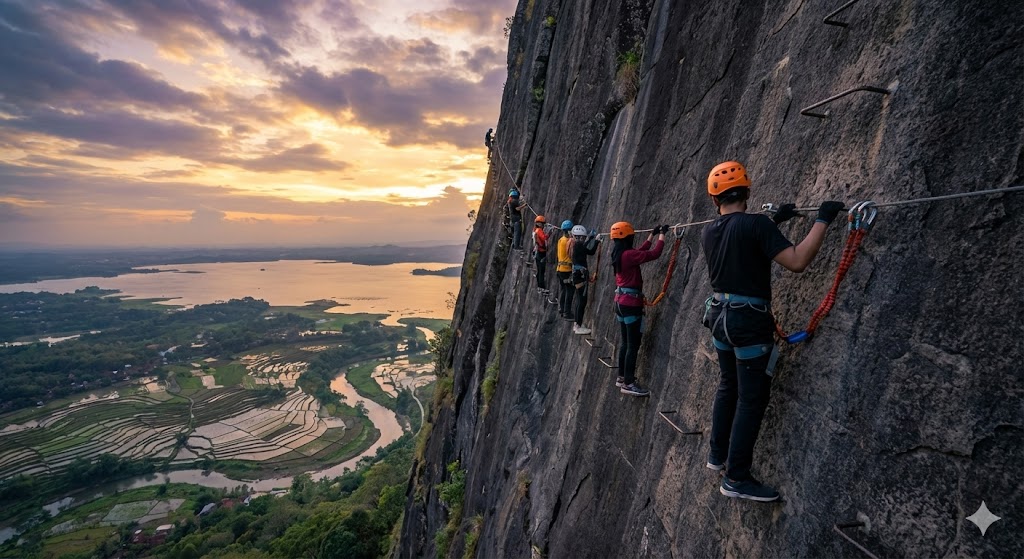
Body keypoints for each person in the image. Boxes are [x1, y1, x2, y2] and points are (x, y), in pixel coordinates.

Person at [701, 160, 845, 502]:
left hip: (720, 317)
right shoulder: (755, 226)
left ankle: (717, 455)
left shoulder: (708, 231)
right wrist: (823, 219)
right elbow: (796, 261)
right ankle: (735, 477)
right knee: (751, 399)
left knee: (728, 385)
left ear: (714, 199)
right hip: (748, 323)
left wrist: (773, 223)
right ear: (747, 191)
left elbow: (742, 247)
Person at [610, 221, 668, 397]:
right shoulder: (627, 255)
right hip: (630, 304)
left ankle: (622, 377)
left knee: (626, 342)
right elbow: (654, 254)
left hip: (620, 302)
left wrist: (652, 234)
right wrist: (662, 235)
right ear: (628, 238)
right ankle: (628, 382)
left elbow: (639, 252)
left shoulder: (619, 254)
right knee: (632, 345)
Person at [569, 225, 600, 335]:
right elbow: (590, 252)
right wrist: (596, 241)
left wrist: (591, 238)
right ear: (579, 237)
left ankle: (577, 324)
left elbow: (585, 248)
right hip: (580, 277)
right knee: (582, 301)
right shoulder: (578, 245)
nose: (583, 239)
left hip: (577, 276)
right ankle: (578, 325)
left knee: (579, 300)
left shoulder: (576, 245)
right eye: (582, 238)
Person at [555, 220, 575, 319]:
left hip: (560, 269)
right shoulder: (568, 241)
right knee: (569, 291)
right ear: (568, 231)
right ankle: (567, 312)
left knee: (563, 289)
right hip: (566, 270)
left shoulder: (560, 240)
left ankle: (561, 308)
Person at [532, 216, 550, 294]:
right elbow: (544, 238)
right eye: (542, 223)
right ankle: (541, 287)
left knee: (539, 270)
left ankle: (539, 287)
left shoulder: (535, 230)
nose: (543, 225)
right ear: (539, 223)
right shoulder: (539, 230)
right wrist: (550, 232)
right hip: (541, 252)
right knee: (541, 271)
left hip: (537, 251)